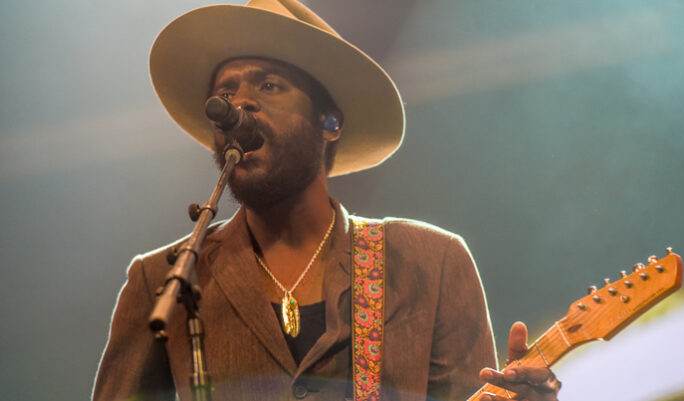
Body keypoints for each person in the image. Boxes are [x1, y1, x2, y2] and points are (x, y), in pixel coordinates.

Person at [93, 1, 561, 401]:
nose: (240, 103)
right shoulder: (162, 282)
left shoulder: (431, 262)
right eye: (225, 92)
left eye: (269, 85)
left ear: (330, 122)